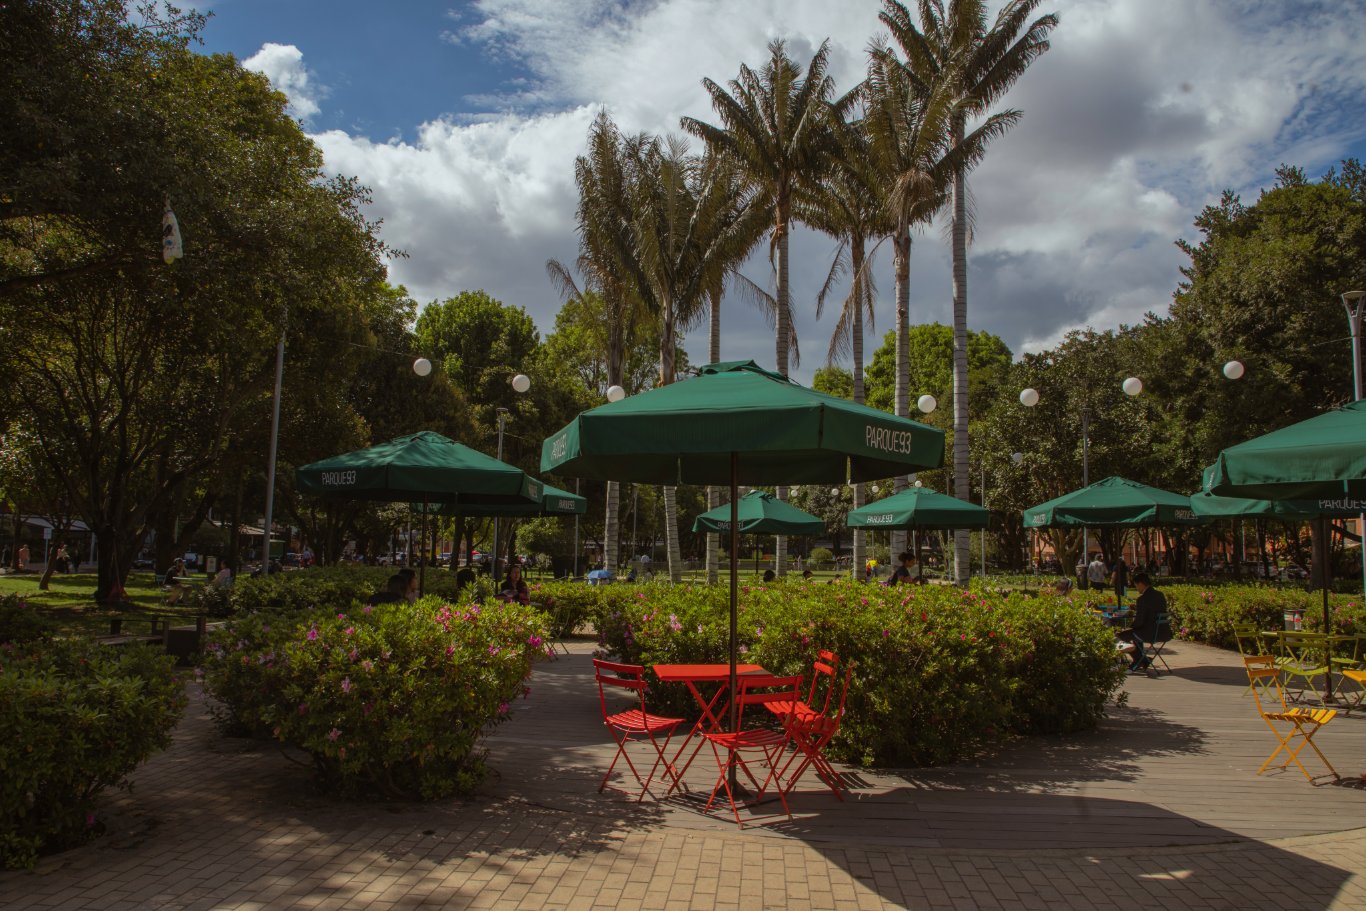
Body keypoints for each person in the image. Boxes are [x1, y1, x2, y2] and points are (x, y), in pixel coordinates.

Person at [1117, 572, 1165, 673]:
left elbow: (1139, 621)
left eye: (1136, 586)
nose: (1136, 588)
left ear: (1141, 584)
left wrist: (1130, 627)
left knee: (1121, 635)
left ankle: (1139, 660)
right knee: (1135, 634)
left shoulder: (1142, 599)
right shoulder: (1160, 595)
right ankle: (1143, 660)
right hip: (1162, 631)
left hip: (1149, 633)